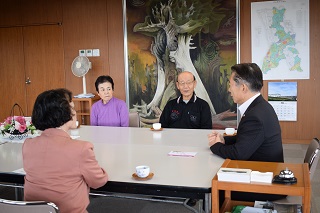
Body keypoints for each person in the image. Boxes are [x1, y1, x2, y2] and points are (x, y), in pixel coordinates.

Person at [208, 63, 284, 202]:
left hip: (264, 181)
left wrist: (215, 146)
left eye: (230, 84)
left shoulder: (255, 115)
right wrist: (224, 140)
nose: (228, 89)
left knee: (215, 188)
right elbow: (247, 138)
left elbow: (239, 154)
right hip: (264, 169)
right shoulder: (260, 107)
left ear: (243, 87)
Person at [23, 88, 108, 213]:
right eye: (73, 108)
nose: (75, 112)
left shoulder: (27, 145)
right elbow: (98, 181)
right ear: (64, 113)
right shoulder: (81, 149)